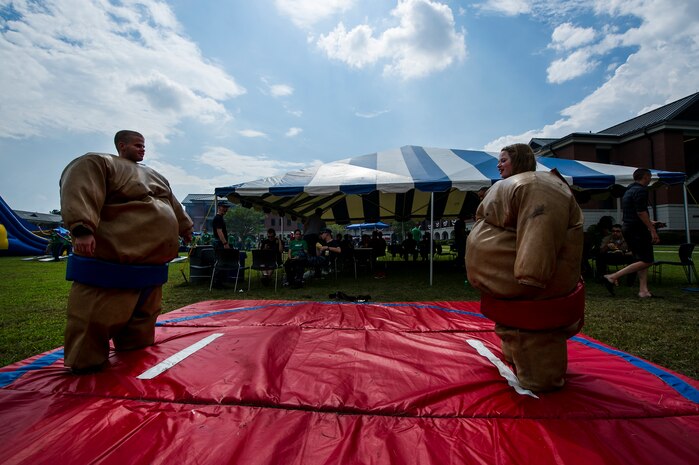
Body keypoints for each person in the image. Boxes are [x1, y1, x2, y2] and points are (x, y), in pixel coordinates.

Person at [60, 130, 193, 374]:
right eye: (137, 145)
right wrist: (82, 228)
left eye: (144, 145)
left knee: (142, 324)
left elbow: (173, 204)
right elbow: (81, 190)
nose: (142, 149)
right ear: (122, 145)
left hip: (151, 269)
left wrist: (185, 228)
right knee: (94, 321)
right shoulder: (98, 163)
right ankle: (85, 364)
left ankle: (135, 352)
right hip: (112, 265)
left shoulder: (156, 176)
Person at [466, 143, 584, 392]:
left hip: (531, 288)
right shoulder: (519, 184)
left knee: (535, 343)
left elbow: (539, 225)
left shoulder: (536, 185)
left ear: (520, 160)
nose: (499, 165)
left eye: (504, 160)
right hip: (511, 287)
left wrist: (532, 273)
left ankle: (541, 379)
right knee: (514, 329)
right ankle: (515, 356)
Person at [603, 168, 661, 298]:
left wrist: (650, 222)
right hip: (637, 229)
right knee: (648, 260)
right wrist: (652, 229)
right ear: (645, 177)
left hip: (628, 227)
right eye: (649, 177)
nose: (650, 179)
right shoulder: (641, 190)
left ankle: (643, 290)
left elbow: (633, 213)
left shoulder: (628, 191)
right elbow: (641, 212)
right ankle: (613, 276)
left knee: (641, 259)